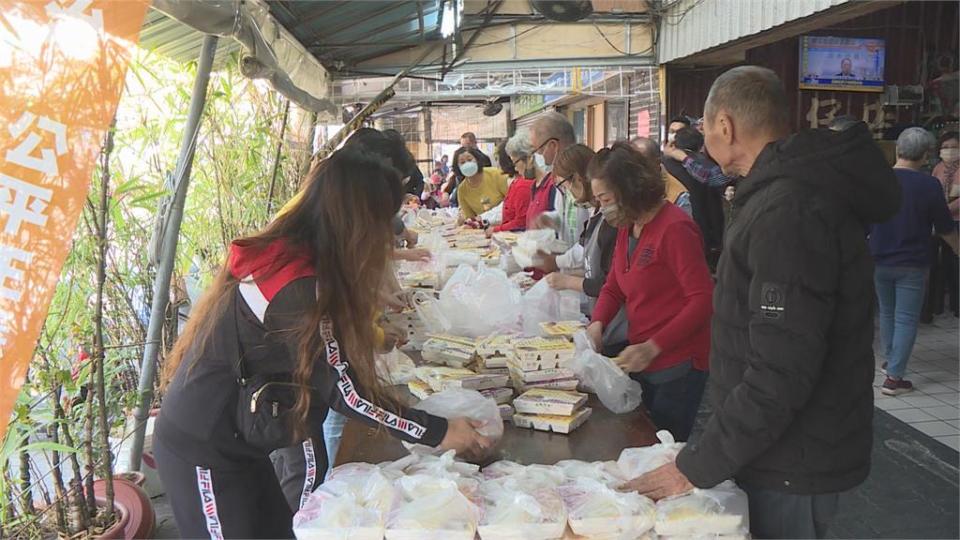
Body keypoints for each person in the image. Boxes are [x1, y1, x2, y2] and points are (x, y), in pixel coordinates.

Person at [154, 149, 494, 538]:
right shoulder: (297, 285)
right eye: (383, 221)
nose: (388, 234)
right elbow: (346, 392)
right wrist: (438, 431)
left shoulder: (302, 256)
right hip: (203, 449)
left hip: (240, 442)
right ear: (356, 220)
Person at [625, 66, 901, 540]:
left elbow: (781, 368)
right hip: (774, 447)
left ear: (724, 126)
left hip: (794, 457)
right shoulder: (777, 195)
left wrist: (696, 466)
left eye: (706, 128)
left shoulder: (790, 210)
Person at [585, 142, 713, 441]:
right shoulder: (628, 226)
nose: (602, 208)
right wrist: (597, 324)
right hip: (641, 358)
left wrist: (655, 345)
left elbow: (703, 299)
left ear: (629, 189)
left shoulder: (675, 228)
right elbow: (615, 285)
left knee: (665, 448)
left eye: (605, 198)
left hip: (677, 365)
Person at [870, 127, 959, 396]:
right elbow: (945, 227)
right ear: (925, 155)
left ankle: (890, 361)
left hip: (878, 259)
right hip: (912, 262)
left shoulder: (876, 179)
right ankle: (895, 378)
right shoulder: (928, 185)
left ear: (898, 149)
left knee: (886, 312)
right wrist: (958, 249)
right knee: (907, 318)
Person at [542, 144, 628, 354]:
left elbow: (612, 283)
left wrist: (568, 280)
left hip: (619, 330)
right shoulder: (598, 215)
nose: (567, 192)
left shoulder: (616, 221)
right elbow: (592, 261)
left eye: (565, 184)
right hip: (602, 321)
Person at [662, 127, 726, 268]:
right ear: (701, 145)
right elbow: (714, 202)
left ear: (674, 144)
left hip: (664, 233)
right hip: (699, 235)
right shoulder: (708, 166)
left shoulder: (662, 165)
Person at [529, 111, 585, 246]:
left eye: (537, 150)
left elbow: (589, 238)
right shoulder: (559, 178)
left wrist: (560, 261)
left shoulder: (584, 177)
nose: (536, 156)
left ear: (553, 145)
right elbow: (567, 218)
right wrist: (549, 218)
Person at [481, 134, 535, 233]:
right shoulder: (514, 182)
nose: (496, 163)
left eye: (497, 159)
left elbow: (520, 221)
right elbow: (504, 208)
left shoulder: (522, 185)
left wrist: (493, 228)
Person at [933, 131, 959, 317]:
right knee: (938, 264)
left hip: (957, 221)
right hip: (940, 222)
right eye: (946, 147)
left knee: (955, 264)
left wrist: (944, 210)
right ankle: (937, 306)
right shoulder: (938, 168)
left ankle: (957, 305)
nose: (949, 151)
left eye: (954, 147)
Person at [631, 136, 691, 215]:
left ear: (657, 162)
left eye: (641, 162)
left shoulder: (677, 196)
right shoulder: (620, 183)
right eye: (630, 161)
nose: (634, 167)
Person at [453, 146, 508, 220]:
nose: (467, 164)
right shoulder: (462, 190)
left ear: (477, 160)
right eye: (462, 162)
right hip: (484, 227)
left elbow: (511, 199)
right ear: (458, 167)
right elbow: (470, 218)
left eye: (469, 160)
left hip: (506, 221)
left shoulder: (495, 174)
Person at [382, 129, 424, 197]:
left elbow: (419, 181)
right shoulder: (380, 161)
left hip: (408, 202)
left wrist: (415, 196)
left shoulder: (407, 159)